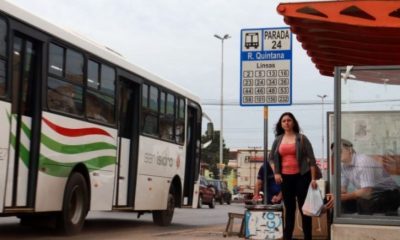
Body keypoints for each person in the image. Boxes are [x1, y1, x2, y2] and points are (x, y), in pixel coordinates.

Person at [270, 112, 318, 240]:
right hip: (285, 178)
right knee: (289, 210)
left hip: (301, 176)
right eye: (284, 121)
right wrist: (276, 172)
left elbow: (312, 160)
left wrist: (313, 179)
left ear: (293, 122)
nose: (286, 123)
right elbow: (272, 159)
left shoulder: (302, 138)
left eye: (289, 120)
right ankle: (287, 237)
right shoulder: (278, 140)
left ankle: (308, 237)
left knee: (304, 210)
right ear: (281, 124)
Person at [332, 139, 400, 215]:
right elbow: (343, 189)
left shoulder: (363, 162)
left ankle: (367, 225)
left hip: (390, 193)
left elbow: (367, 192)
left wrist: (347, 196)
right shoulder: (343, 166)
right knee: (339, 203)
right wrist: (336, 196)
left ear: (350, 150)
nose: (336, 153)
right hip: (372, 194)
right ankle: (345, 225)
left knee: (363, 201)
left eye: (339, 150)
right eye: (334, 152)